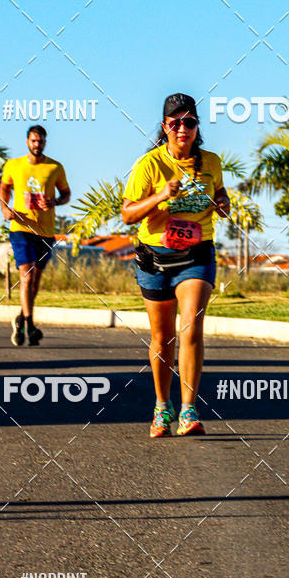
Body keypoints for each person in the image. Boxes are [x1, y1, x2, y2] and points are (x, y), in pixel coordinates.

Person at [121, 93, 230, 437]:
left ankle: (189, 409)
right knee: (162, 336)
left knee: (191, 327)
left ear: (198, 127)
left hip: (197, 254)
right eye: (175, 122)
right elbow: (128, 214)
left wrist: (223, 202)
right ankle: (161, 406)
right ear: (165, 127)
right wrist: (160, 197)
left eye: (190, 122)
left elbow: (221, 195)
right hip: (155, 256)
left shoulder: (211, 162)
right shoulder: (149, 165)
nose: (183, 128)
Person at [0, 125, 70, 346]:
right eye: (33, 141)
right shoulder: (14, 165)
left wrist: (55, 201)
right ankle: (30, 325)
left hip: (45, 231)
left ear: (45, 142)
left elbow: (66, 193)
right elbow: (4, 187)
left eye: (41, 141)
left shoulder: (54, 167)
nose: (37, 144)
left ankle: (21, 318)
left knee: (35, 282)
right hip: (20, 228)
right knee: (26, 277)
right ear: (27, 141)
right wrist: (4, 206)